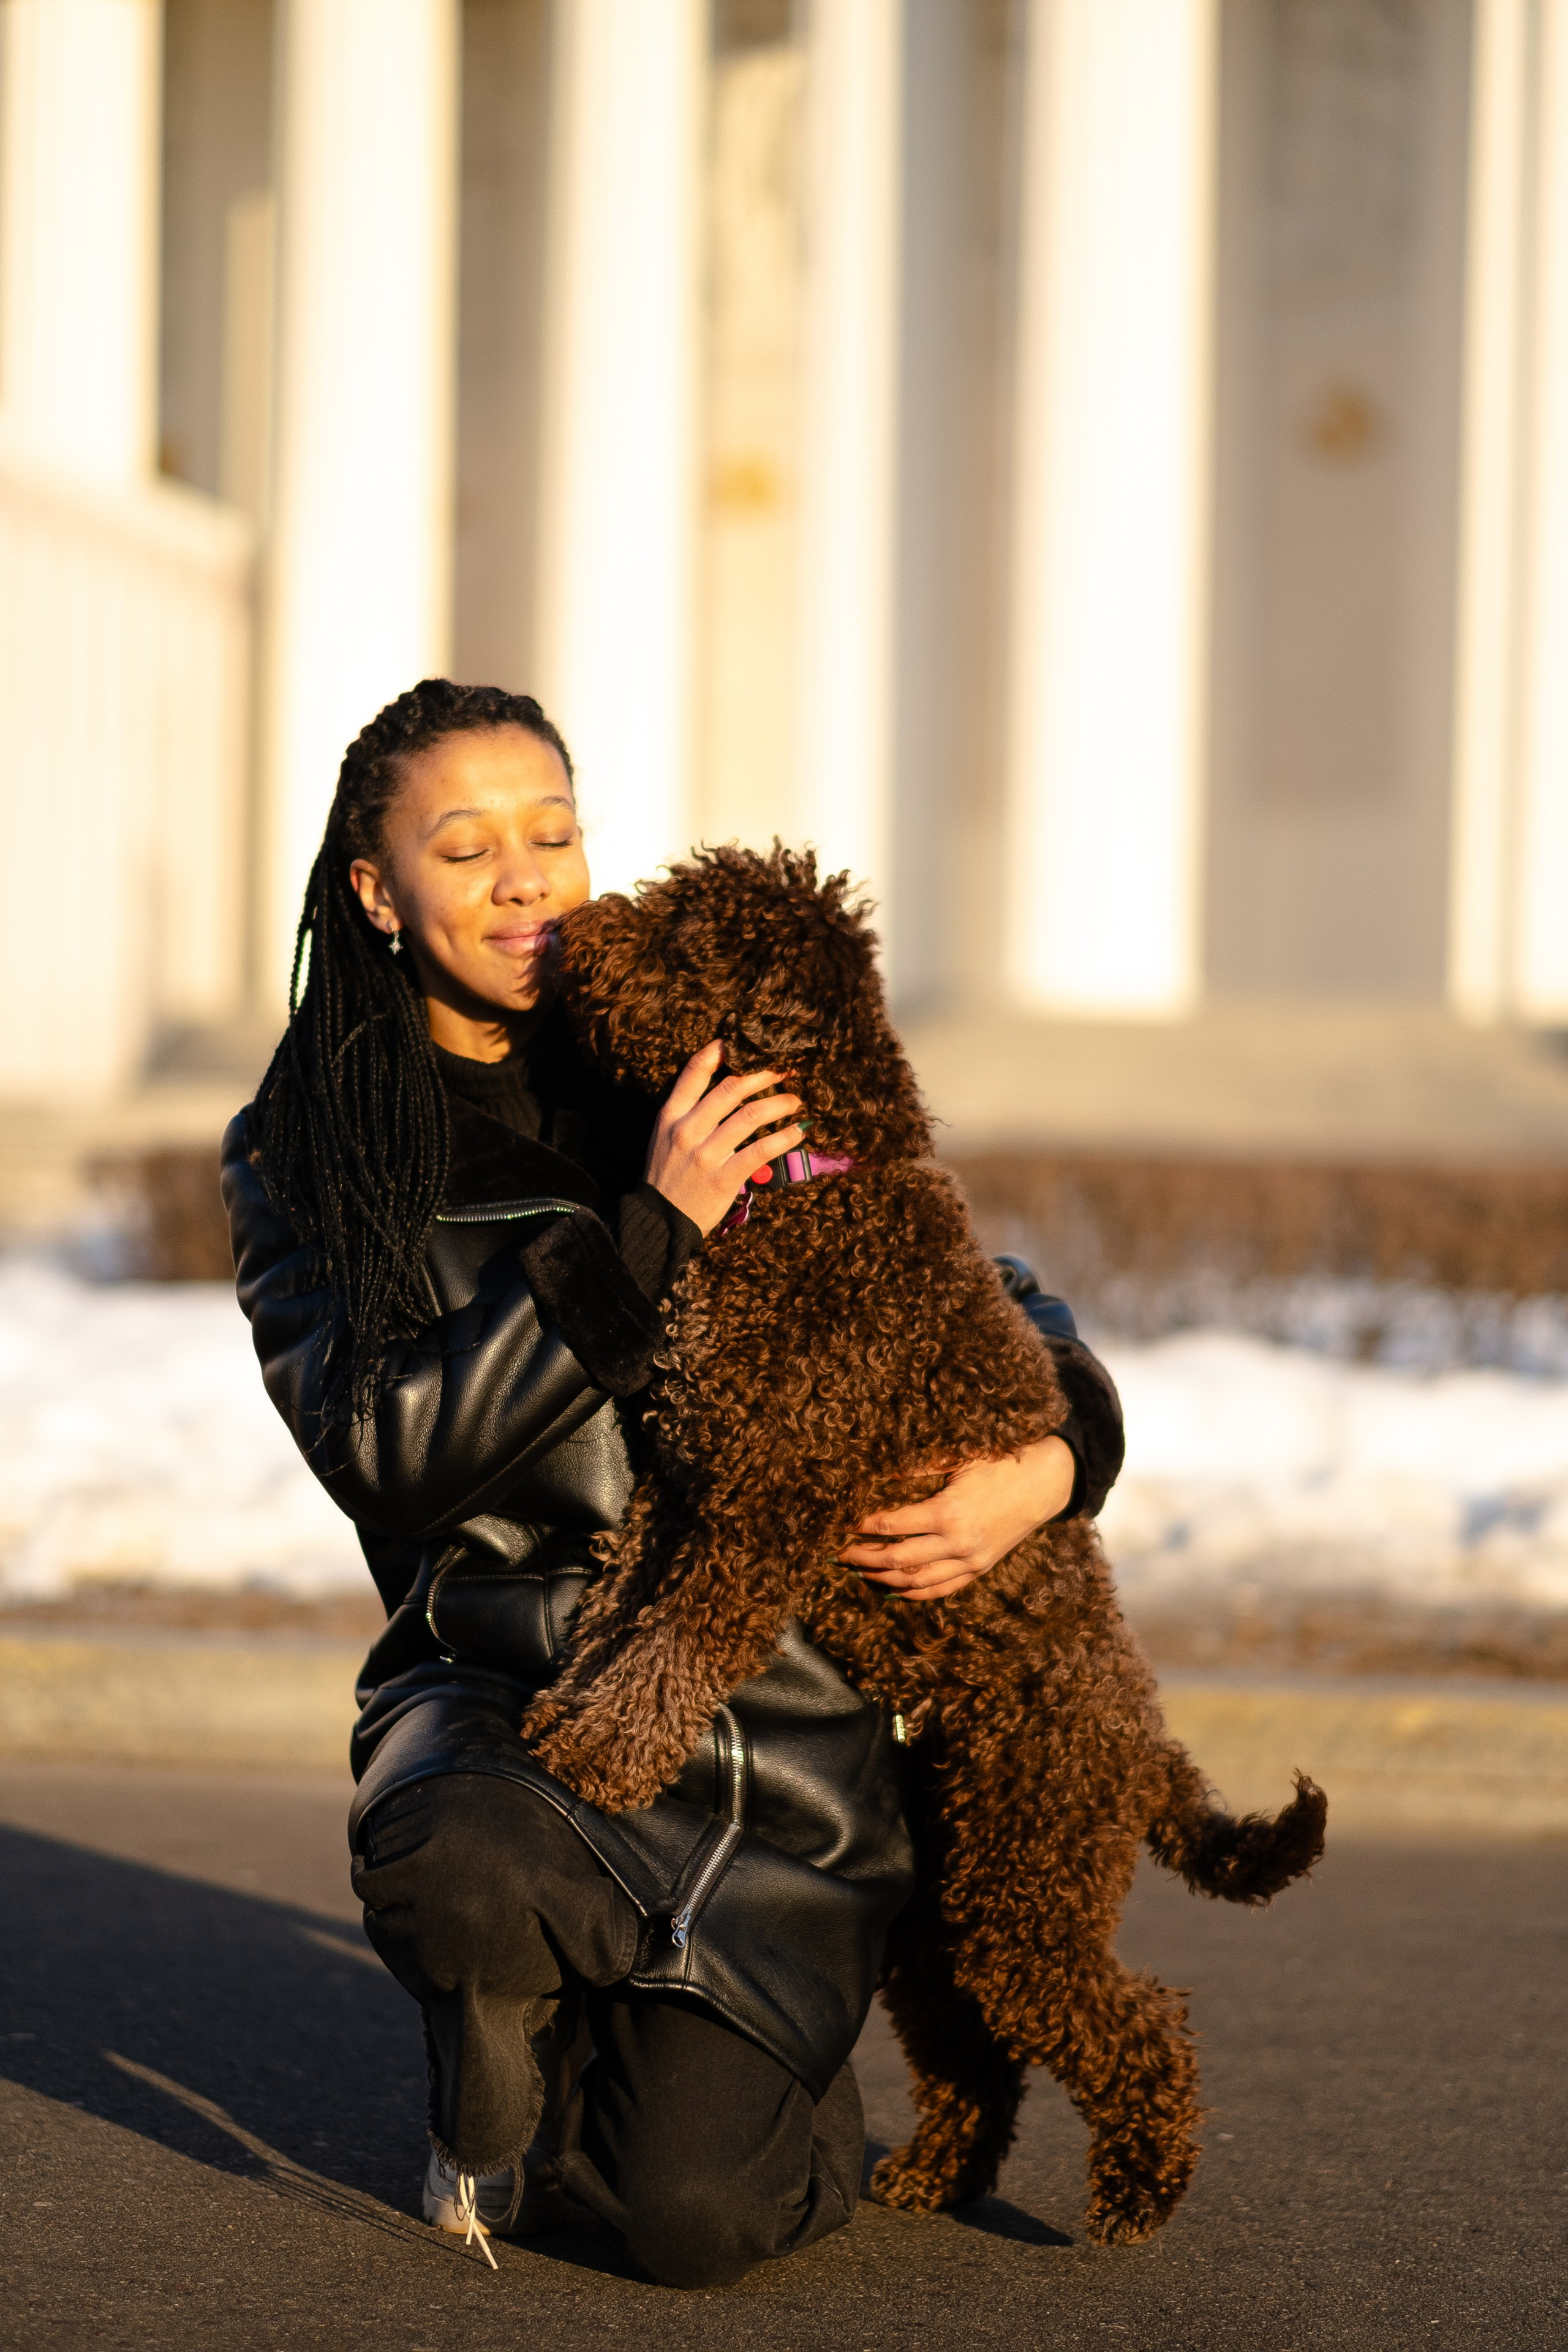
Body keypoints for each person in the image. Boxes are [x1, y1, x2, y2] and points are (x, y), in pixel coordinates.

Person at [222, 678, 1125, 2289]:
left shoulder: (681, 1052)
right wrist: (645, 1234)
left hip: (783, 1751)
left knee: (694, 2222)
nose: (525, 879)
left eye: (552, 835)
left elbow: (965, 1282)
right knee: (467, 1874)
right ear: (376, 890)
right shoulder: (316, 1143)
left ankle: (669, 2049)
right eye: (468, 844)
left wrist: (1053, 1463)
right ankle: (518, 2011)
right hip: (520, 1700)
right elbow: (384, 1451)